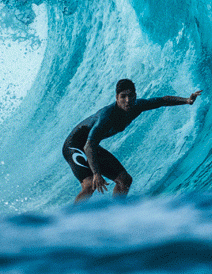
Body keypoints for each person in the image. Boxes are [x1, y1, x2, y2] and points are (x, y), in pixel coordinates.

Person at [62, 78, 202, 203]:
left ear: (135, 96)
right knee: (89, 185)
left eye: (131, 96)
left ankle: (116, 214)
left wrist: (187, 101)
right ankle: (71, 222)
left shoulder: (137, 106)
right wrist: (97, 174)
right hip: (74, 145)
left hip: (90, 145)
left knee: (124, 180)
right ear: (116, 98)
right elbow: (88, 147)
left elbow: (163, 100)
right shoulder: (106, 116)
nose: (127, 100)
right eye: (123, 96)